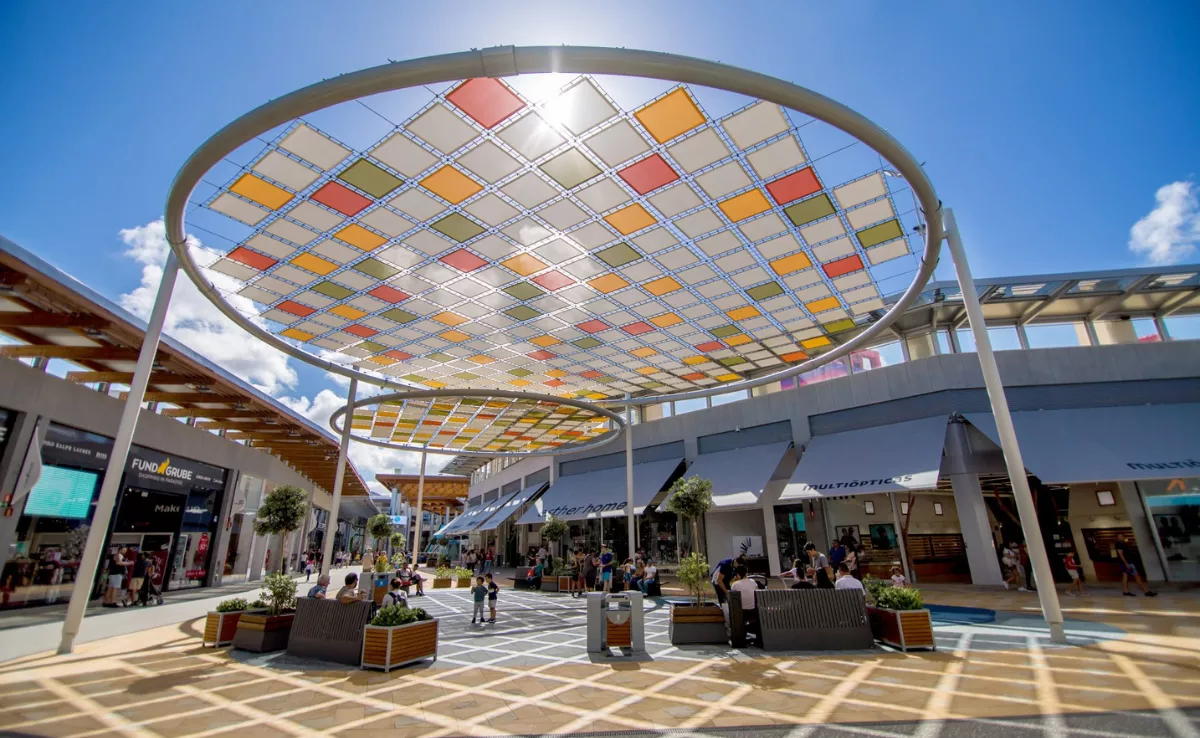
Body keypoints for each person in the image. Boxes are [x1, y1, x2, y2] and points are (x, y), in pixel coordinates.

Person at [729, 565, 760, 641]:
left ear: (737, 575)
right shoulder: (753, 582)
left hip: (742, 611)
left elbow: (731, 598)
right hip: (754, 610)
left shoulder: (735, 584)